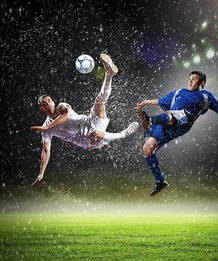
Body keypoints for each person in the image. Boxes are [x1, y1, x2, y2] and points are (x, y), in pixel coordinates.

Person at [136, 71, 218, 196]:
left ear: (202, 82)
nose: (191, 81)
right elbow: (161, 100)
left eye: (195, 79)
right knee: (147, 148)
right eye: (190, 78)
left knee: (170, 116)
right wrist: (146, 102)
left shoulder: (205, 96)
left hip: (184, 122)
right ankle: (160, 181)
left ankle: (149, 120)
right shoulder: (178, 92)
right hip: (165, 123)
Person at [31, 53, 139, 186]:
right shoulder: (45, 128)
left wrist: (47, 127)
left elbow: (64, 116)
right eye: (45, 103)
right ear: (42, 108)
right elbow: (46, 151)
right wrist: (41, 173)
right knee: (97, 134)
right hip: (86, 140)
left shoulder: (61, 107)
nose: (49, 103)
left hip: (88, 121)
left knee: (100, 101)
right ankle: (124, 134)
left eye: (49, 100)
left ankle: (109, 74)